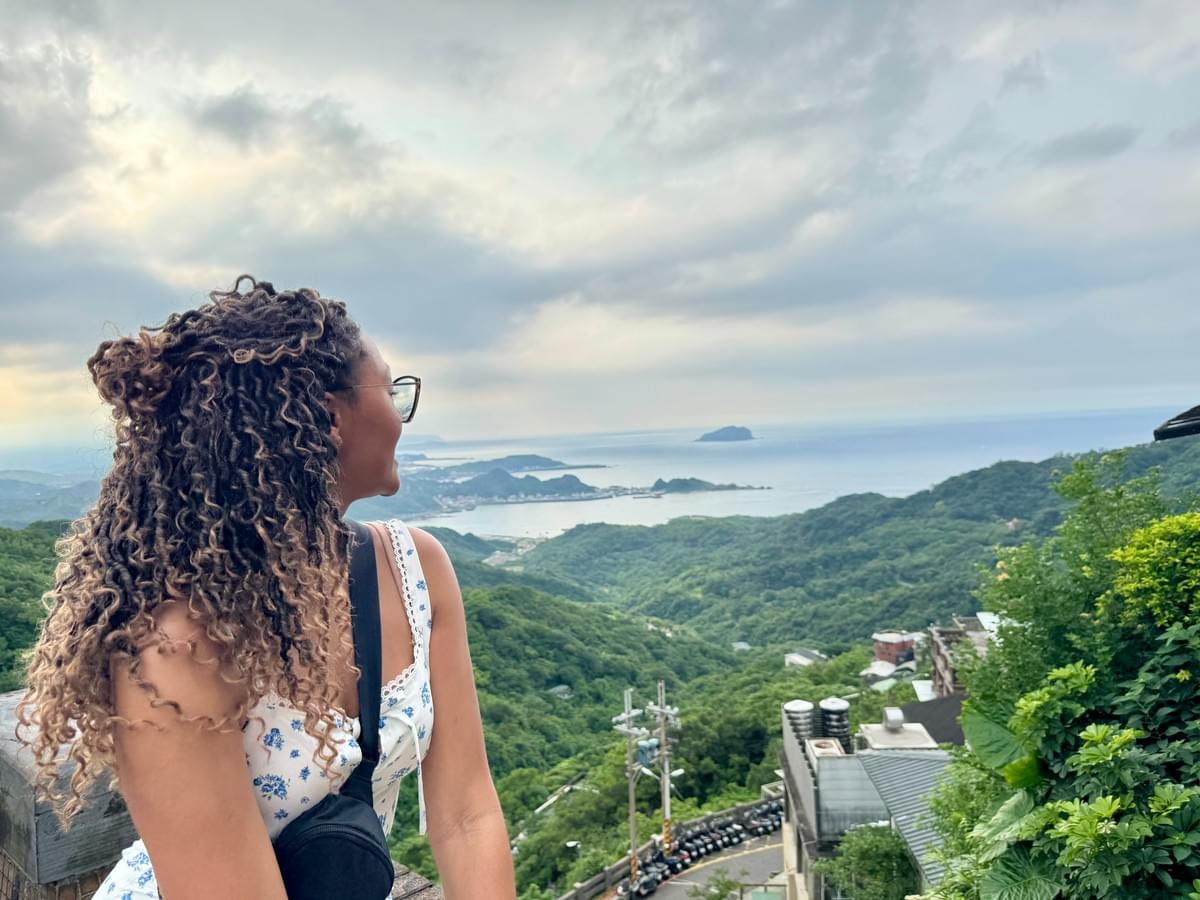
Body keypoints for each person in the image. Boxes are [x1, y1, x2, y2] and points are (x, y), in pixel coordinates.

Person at [14, 276, 516, 899]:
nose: (401, 413)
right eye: (392, 390)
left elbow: (468, 813)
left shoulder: (415, 568)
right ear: (331, 418)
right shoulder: (176, 646)